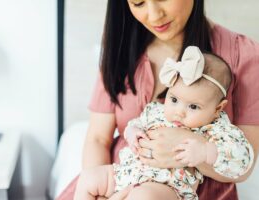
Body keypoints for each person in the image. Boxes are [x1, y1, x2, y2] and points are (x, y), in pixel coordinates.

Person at [57, 0, 259, 199]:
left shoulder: (243, 54)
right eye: (138, 3)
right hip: (121, 177)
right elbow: (98, 138)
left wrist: (192, 150)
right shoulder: (119, 47)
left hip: (174, 188)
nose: (154, 16)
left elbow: (243, 164)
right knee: (88, 180)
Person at [73, 46, 254, 200]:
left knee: (141, 197)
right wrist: (133, 132)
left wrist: (206, 151)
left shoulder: (217, 129)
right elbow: (135, 123)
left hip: (165, 186)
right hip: (124, 174)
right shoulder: (157, 110)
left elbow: (242, 160)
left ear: (217, 109)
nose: (179, 111)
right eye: (174, 99)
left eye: (193, 106)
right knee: (88, 178)